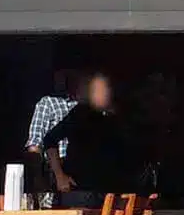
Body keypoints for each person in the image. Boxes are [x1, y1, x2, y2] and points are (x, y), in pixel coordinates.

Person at [44, 72, 136, 204]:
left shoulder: (121, 119)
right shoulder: (81, 113)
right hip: (80, 190)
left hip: (113, 191)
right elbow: (50, 140)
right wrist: (60, 176)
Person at [24, 69, 82, 191]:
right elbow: (35, 144)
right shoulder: (48, 103)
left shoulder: (85, 107)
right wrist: (41, 179)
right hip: (57, 173)